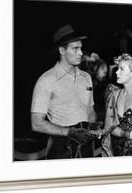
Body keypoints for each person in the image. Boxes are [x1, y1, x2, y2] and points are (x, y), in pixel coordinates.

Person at [30, 24, 102, 159]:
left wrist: (92, 124)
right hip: (61, 148)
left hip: (87, 147)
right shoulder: (46, 80)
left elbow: (90, 111)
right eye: (75, 49)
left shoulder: (86, 77)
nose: (81, 53)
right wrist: (70, 132)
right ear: (62, 50)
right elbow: (36, 123)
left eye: (80, 48)